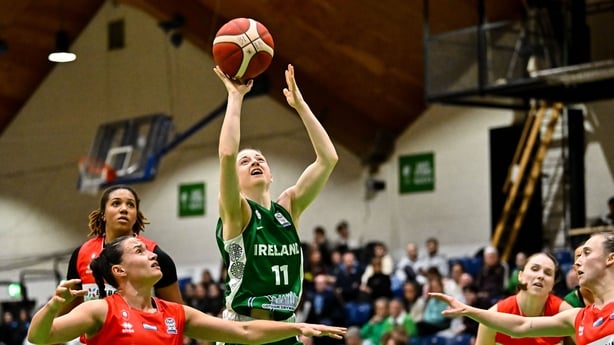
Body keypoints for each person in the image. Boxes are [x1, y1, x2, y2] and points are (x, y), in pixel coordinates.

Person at [213, 64, 338, 345]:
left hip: (286, 330)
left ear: (270, 175)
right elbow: (226, 154)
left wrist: (301, 106)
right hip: (244, 332)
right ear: (234, 177)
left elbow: (328, 159)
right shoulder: (237, 212)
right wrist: (235, 97)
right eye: (245, 161)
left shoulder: (289, 208)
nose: (255, 162)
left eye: (260, 160)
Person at [27, 236, 346, 345]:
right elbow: (41, 337)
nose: (152, 254)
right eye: (139, 251)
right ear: (119, 270)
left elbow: (246, 330)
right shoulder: (101, 310)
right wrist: (52, 306)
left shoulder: (175, 314)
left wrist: (295, 326)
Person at [429, 231, 614, 345]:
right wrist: (469, 310)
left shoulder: (566, 310)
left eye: (587, 253)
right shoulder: (579, 317)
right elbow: (521, 325)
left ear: (610, 258)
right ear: (520, 275)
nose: (577, 263)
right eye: (534, 269)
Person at [63, 185, 183, 311]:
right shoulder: (81, 254)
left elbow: (178, 314)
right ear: (103, 214)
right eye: (116, 203)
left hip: (141, 330)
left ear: (136, 215)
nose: (124, 209)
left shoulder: (155, 256)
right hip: (94, 330)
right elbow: (66, 312)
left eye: (130, 205)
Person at [474, 252, 573, 345]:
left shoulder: (565, 313)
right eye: (534, 269)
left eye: (548, 273)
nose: (541, 276)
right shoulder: (494, 315)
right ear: (520, 276)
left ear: (552, 284)